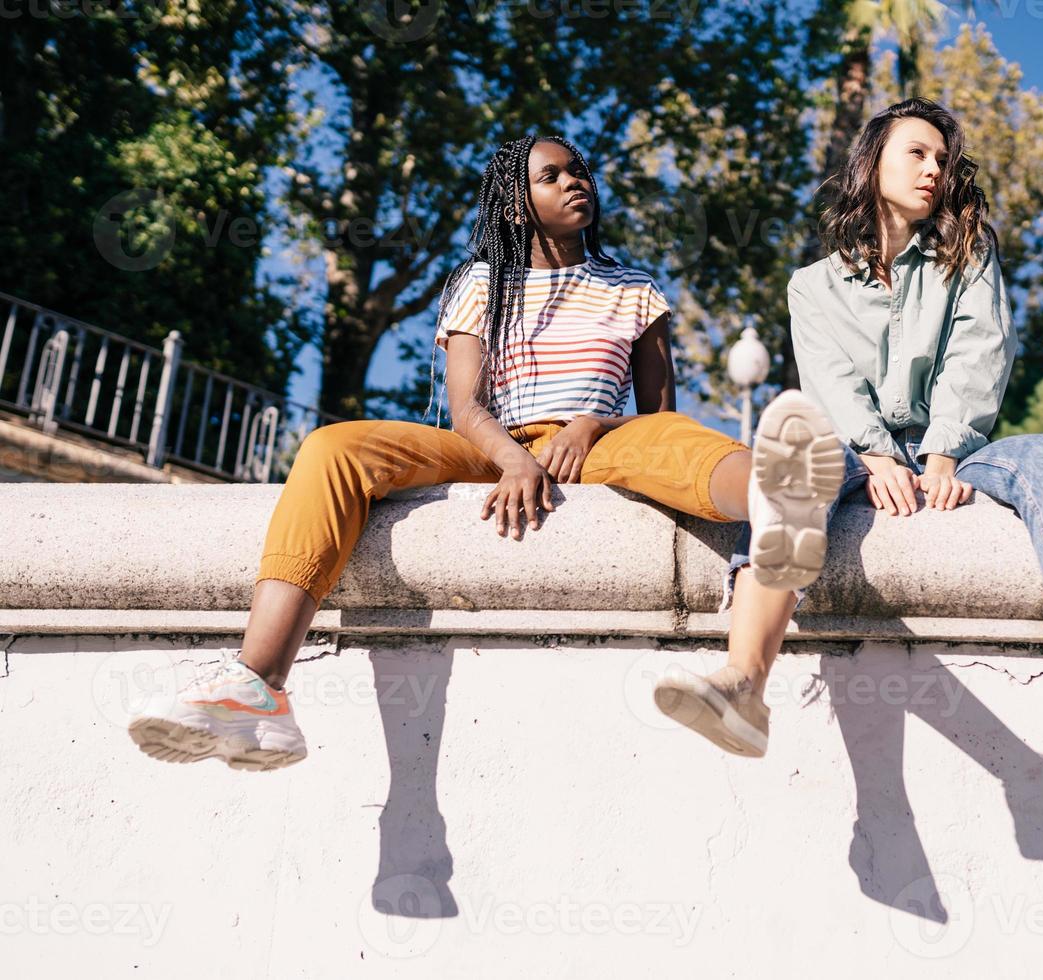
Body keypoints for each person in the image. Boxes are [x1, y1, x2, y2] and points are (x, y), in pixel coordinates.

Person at [126, 134, 841, 770]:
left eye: (580, 170)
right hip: (494, 445)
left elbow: (658, 415)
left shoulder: (635, 290)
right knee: (332, 447)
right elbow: (466, 407)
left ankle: (783, 494)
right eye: (552, 176)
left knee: (689, 446)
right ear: (514, 206)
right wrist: (513, 459)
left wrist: (592, 424)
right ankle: (259, 686)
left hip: (599, 444)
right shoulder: (478, 285)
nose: (575, 182)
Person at [701, 98, 1043, 761]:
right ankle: (742, 687)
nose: (934, 168)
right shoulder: (811, 287)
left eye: (942, 159)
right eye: (917, 152)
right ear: (872, 161)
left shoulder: (968, 253)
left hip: (954, 454)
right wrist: (877, 454)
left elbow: (979, 351)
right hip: (851, 455)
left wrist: (940, 452)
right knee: (792, 457)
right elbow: (831, 381)